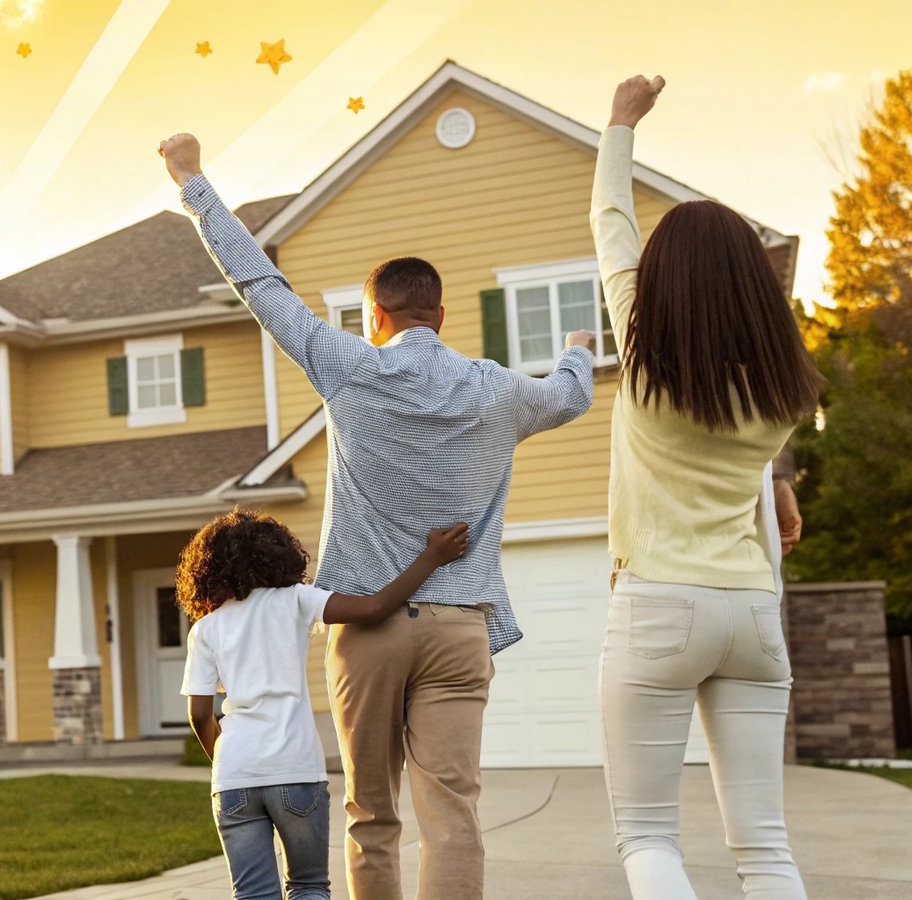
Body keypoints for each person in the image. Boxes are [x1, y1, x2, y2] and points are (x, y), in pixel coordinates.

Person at [160, 133, 596, 900]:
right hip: (462, 626)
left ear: (376, 315)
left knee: (371, 812)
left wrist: (192, 181)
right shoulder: (499, 390)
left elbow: (259, 284)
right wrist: (574, 348)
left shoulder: (350, 366)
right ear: (440, 311)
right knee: (454, 810)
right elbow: (570, 397)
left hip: (368, 631)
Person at [591, 75, 826, 900]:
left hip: (658, 604)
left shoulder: (645, 358)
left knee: (649, 836)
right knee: (765, 847)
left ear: (664, 280)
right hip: (753, 613)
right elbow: (749, 446)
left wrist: (621, 123)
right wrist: (782, 484)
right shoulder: (783, 395)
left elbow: (610, 224)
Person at [179, 510, 470, 900]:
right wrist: (431, 557)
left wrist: (225, 762)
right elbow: (374, 609)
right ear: (277, 554)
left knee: (251, 894)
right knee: (308, 886)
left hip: (235, 775)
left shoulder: (206, 628)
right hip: (294, 767)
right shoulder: (295, 600)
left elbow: (200, 714)